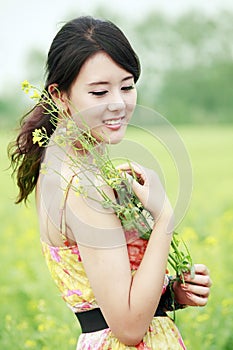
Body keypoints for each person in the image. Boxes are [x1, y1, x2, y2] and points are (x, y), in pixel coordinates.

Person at [9, 16, 212, 349]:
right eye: (100, 91)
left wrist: (170, 293)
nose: (118, 103)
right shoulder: (81, 185)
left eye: (127, 86)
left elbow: (110, 297)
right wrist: (163, 219)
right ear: (60, 96)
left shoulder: (73, 168)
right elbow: (129, 327)